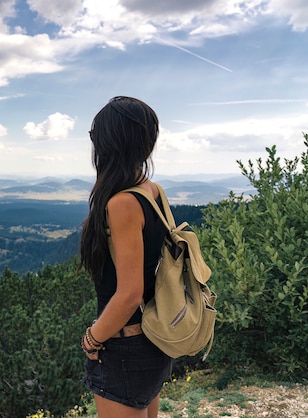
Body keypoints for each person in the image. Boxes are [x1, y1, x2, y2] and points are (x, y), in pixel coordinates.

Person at [79, 96, 174, 417]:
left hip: (124, 346)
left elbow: (129, 292)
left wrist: (93, 339)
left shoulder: (121, 203)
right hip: (154, 338)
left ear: (108, 143)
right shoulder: (152, 189)